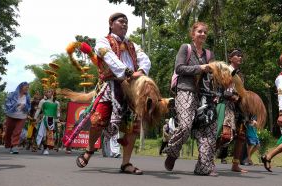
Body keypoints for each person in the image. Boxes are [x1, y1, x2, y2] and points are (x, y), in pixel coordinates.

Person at [75, 12, 151, 175]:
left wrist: (141, 71)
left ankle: (126, 163)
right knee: (98, 121)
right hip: (109, 87)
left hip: (131, 88)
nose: (125, 24)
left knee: (132, 126)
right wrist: (128, 73)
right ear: (111, 24)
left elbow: (145, 59)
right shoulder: (103, 41)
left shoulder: (133, 45)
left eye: (126, 22)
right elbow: (110, 58)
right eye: (121, 21)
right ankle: (89, 150)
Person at [163, 22, 219, 176]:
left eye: (205, 32)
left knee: (208, 129)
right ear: (193, 34)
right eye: (199, 31)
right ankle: (173, 152)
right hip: (185, 91)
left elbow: (214, 75)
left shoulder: (209, 54)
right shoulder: (185, 48)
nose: (202, 34)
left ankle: (203, 167)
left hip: (205, 95)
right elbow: (179, 68)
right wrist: (199, 68)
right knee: (186, 126)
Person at [215, 49, 248, 172]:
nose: (240, 57)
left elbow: (242, 91)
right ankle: (207, 158)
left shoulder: (241, 75)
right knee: (225, 136)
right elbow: (219, 89)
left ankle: (235, 165)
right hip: (226, 105)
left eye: (241, 56)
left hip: (239, 107)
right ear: (230, 58)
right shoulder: (224, 70)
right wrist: (229, 95)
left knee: (241, 136)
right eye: (237, 56)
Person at [4, 82, 31, 154]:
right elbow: (7, 103)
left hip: (22, 116)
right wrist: (16, 104)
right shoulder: (12, 94)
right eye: (26, 87)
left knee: (17, 131)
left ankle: (14, 146)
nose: (27, 89)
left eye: (28, 88)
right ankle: (10, 145)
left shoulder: (27, 96)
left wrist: (24, 107)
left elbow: (29, 107)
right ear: (21, 87)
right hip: (11, 115)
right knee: (9, 131)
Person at [34, 89, 61, 155]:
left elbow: (58, 112)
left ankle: (47, 148)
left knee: (50, 135)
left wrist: (58, 117)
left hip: (53, 120)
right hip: (45, 120)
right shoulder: (43, 101)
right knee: (44, 134)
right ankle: (45, 148)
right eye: (47, 92)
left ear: (53, 93)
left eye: (49, 92)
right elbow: (38, 110)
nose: (47, 93)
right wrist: (35, 118)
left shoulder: (57, 103)